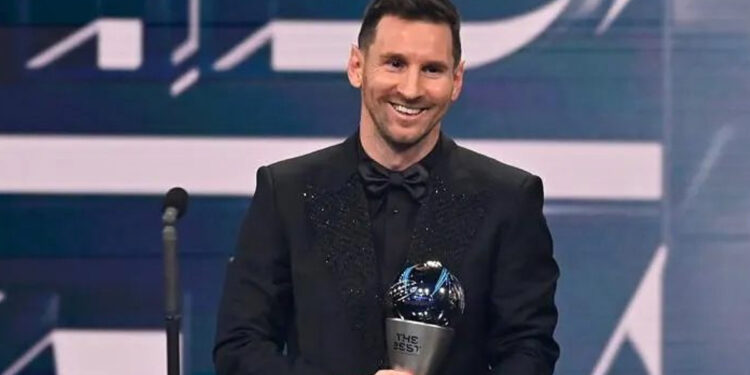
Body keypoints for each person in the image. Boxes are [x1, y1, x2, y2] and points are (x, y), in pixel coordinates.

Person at [213, 0, 560, 374]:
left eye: (432, 69)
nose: (411, 89)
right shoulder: (286, 192)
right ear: (357, 66)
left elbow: (529, 353)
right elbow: (240, 347)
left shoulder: (508, 199)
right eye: (395, 63)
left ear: (456, 81)